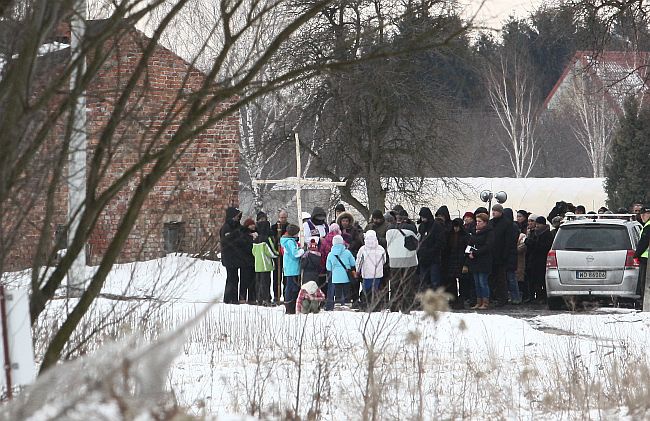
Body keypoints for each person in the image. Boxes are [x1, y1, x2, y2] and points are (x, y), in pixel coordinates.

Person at [386, 209, 419, 313]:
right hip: (408, 260)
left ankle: (394, 307)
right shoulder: (411, 228)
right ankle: (406, 308)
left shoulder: (389, 229)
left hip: (394, 261)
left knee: (395, 285)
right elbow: (416, 242)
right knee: (407, 285)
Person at [220, 207, 250, 304]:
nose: (237, 218)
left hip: (238, 258)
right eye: (236, 217)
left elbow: (243, 234)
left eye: (238, 217)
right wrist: (238, 236)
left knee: (235, 279)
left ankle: (234, 298)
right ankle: (229, 298)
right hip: (229, 258)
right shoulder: (226, 228)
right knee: (231, 278)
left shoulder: (238, 227)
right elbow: (228, 240)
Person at [488, 204, 513, 307]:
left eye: (496, 211)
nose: (493, 212)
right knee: (491, 278)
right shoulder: (491, 223)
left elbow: (508, 242)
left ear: (500, 212)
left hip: (501, 256)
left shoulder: (506, 224)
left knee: (501, 279)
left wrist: (504, 256)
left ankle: (502, 298)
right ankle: (492, 297)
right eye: (493, 210)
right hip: (491, 255)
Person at [467, 213, 493, 310]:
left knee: (483, 282)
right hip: (474, 260)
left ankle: (485, 302)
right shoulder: (474, 232)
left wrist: (476, 252)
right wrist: (469, 252)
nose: (477, 223)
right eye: (477, 221)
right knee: (477, 283)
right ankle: (479, 301)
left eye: (480, 221)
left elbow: (488, 246)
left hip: (484, 260)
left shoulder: (489, 232)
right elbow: (470, 243)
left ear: (485, 222)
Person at [525, 216, 554, 303]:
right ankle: (535, 296)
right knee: (533, 280)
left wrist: (531, 243)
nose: (537, 225)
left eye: (538, 224)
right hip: (534, 260)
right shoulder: (535, 233)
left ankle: (542, 297)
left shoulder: (547, 234)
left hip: (542, 260)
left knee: (541, 280)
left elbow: (543, 247)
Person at [416, 207, 446, 291]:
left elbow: (441, 242)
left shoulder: (436, 226)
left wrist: (431, 251)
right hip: (423, 258)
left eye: (424, 217)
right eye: (421, 217)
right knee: (423, 282)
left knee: (435, 282)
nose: (423, 219)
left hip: (434, 258)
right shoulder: (421, 226)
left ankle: (435, 301)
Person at [356, 230, 386, 311]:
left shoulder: (363, 249)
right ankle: (376, 305)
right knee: (375, 289)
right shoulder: (381, 249)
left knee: (366, 290)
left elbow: (359, 262)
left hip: (367, 274)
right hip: (378, 274)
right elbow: (384, 261)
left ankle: (366, 305)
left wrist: (357, 271)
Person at [325, 235, 356, 310]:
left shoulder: (330, 254)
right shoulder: (347, 252)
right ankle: (347, 304)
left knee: (337, 291)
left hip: (335, 277)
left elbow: (328, 267)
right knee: (346, 291)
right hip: (346, 276)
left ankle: (337, 304)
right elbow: (353, 263)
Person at [444, 218, 469, 309]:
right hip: (452, 260)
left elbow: (467, 250)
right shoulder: (450, 235)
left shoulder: (465, 236)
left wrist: (466, 263)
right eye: (454, 226)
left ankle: (461, 301)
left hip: (461, 260)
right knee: (451, 281)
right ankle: (453, 299)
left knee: (462, 282)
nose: (455, 228)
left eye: (457, 226)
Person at [252, 219, 278, 306]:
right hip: (266, 264)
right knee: (266, 282)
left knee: (259, 282)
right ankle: (266, 299)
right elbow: (270, 251)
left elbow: (253, 252)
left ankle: (259, 298)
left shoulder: (256, 239)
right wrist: (277, 254)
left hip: (257, 264)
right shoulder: (267, 239)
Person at [280, 224, 305, 314]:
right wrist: (302, 250)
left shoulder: (287, 241)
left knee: (290, 287)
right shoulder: (290, 242)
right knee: (292, 287)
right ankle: (291, 306)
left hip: (290, 267)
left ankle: (291, 305)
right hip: (292, 268)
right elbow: (295, 254)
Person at [503, 209, 522, 305]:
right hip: (511, 255)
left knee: (511, 278)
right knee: (509, 278)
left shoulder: (512, 227)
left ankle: (516, 297)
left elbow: (510, 242)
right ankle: (513, 297)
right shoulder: (513, 226)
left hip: (511, 256)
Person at [271, 210, 289, 304]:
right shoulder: (274, 227)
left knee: (286, 276)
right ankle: (276, 296)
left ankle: (286, 295)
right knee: (276, 276)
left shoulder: (289, 227)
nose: (283, 219)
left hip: (286, 255)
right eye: (281, 217)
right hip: (277, 255)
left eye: (284, 217)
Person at [239, 218, 258, 304]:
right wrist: (252, 240)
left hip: (253, 261)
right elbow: (245, 246)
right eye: (250, 225)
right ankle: (242, 297)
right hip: (245, 261)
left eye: (253, 224)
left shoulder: (256, 234)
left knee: (253, 280)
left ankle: (252, 298)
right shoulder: (243, 234)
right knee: (244, 280)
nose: (252, 226)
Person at [634, 205, 650, 303]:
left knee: (644, 282)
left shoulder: (648, 226)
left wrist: (636, 255)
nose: (643, 216)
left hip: (646, 258)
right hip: (646, 258)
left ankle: (644, 301)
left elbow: (644, 242)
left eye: (646, 214)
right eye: (642, 214)